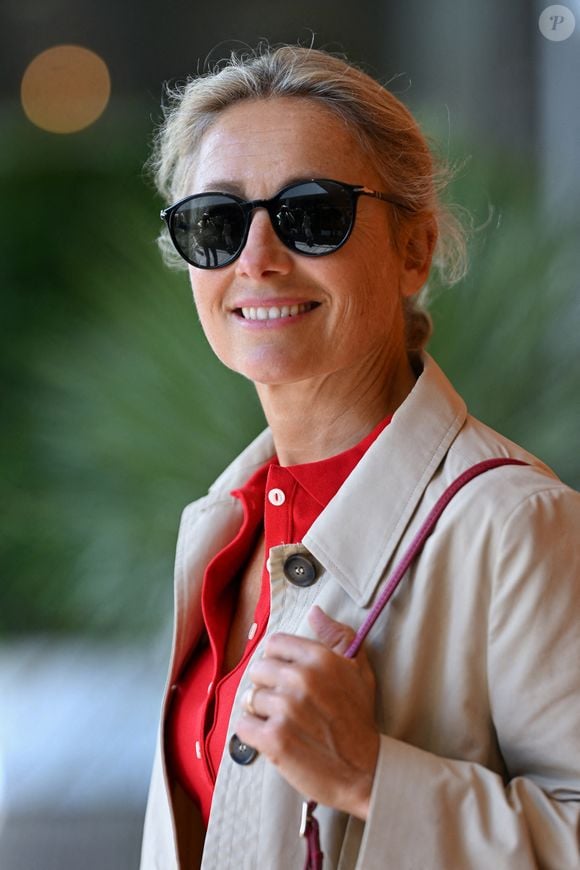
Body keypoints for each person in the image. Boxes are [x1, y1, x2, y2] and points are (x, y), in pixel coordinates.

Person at [140, 45, 580, 870]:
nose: (256, 258)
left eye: (312, 213)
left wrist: (374, 777)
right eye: (218, 222)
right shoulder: (221, 528)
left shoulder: (519, 526)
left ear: (414, 250)